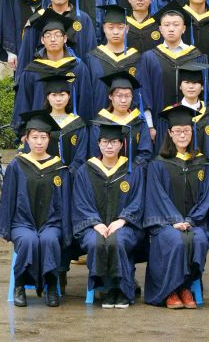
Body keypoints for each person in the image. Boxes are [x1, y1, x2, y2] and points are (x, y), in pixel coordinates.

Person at [141, 105, 209, 309]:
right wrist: (175, 221)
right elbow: (157, 196)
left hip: (194, 223)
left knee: (199, 239)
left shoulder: (202, 163)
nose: (182, 135)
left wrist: (190, 221)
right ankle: (171, 290)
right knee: (175, 240)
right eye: (178, 131)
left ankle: (186, 287)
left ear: (192, 132)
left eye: (186, 131)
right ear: (170, 133)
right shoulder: (158, 164)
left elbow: (206, 198)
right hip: (165, 223)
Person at [1, 112, 69, 307]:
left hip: (51, 222)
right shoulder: (17, 165)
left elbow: (65, 202)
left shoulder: (59, 167)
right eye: (35, 137)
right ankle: (20, 286)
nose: (39, 142)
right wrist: (5, 229)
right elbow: (8, 199)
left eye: (43, 137)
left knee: (49, 240)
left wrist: (66, 231)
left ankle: (51, 286)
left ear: (49, 139)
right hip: (22, 222)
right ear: (27, 139)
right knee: (28, 240)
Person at [71, 123, 142, 308]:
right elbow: (80, 202)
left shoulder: (132, 170)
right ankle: (108, 289)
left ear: (121, 144)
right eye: (105, 142)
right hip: (91, 226)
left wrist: (122, 220)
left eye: (114, 142)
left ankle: (121, 290)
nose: (109, 146)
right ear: (98, 144)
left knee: (117, 241)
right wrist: (96, 223)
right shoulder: (86, 170)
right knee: (96, 242)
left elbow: (138, 200)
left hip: (125, 226)